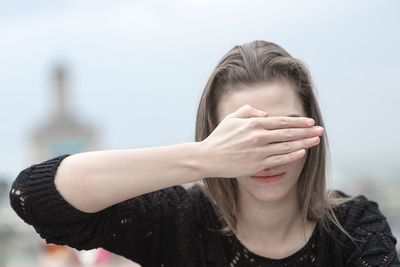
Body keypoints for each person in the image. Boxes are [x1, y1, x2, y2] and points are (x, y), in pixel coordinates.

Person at [10, 40, 399, 267]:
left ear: (313, 130)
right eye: (243, 135)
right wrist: (203, 158)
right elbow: (34, 199)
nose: (264, 153)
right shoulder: (180, 222)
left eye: (281, 130)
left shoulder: (355, 228)